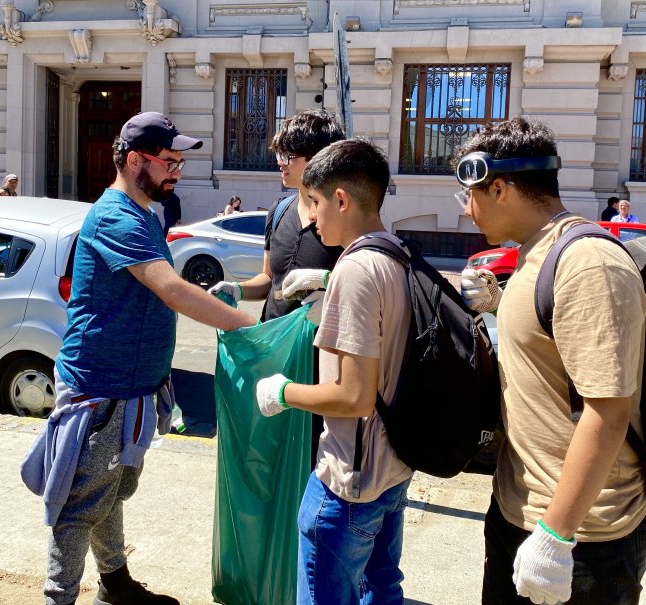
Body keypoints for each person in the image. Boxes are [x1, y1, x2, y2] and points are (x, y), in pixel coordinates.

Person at [21, 111, 256, 605]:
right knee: (80, 502)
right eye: (169, 161)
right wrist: (256, 329)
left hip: (131, 386)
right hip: (102, 385)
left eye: (178, 162)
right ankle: (57, 598)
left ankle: (115, 583)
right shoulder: (114, 216)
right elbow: (169, 288)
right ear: (134, 160)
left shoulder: (145, 214)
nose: (177, 171)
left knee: (110, 490)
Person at [454, 118, 646, 605]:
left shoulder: (588, 263)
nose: (467, 211)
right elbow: (550, 347)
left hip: (583, 539)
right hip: (520, 513)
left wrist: (555, 535)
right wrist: (497, 303)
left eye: (471, 195)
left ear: (500, 187)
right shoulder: (533, 253)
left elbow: (608, 409)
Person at [255, 138, 413, 604]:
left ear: (341, 199)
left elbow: (353, 397)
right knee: (383, 587)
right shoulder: (396, 252)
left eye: (315, 201)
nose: (311, 215)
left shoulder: (355, 268)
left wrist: (283, 392)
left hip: (349, 479)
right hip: (393, 468)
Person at [209, 108, 346, 463]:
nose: (280, 164)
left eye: (288, 156)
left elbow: (368, 284)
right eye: (278, 155)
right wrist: (238, 289)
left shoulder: (341, 217)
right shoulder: (278, 211)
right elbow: (269, 279)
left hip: (320, 361)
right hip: (274, 352)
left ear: (316, 159)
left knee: (311, 454)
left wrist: (328, 286)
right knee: (270, 451)